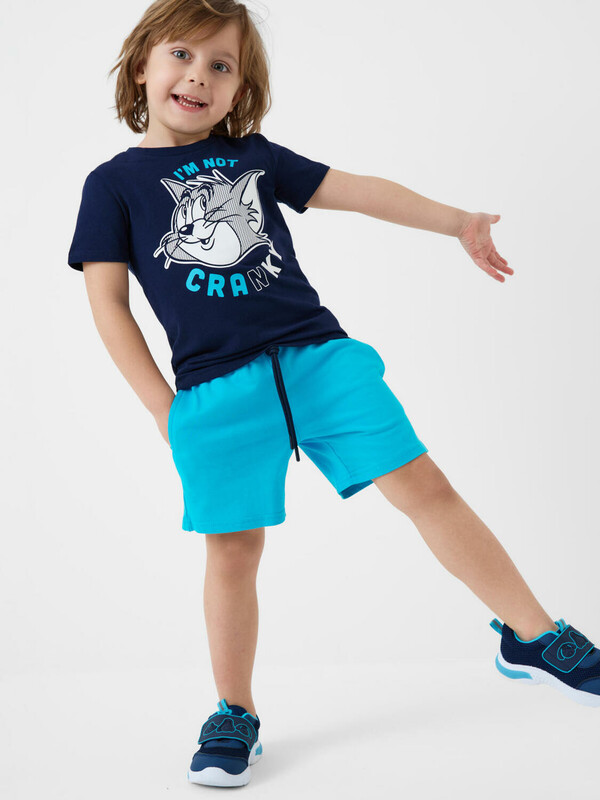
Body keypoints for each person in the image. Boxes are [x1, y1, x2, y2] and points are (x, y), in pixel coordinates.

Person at [66, 0, 600, 788]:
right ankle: (234, 712)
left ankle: (534, 635)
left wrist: (457, 222)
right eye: (182, 54)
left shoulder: (253, 156)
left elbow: (357, 190)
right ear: (141, 62)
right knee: (233, 551)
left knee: (427, 488)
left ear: (240, 88)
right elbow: (108, 303)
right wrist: (161, 406)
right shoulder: (112, 185)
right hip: (214, 394)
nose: (199, 76)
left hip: (321, 361)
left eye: (221, 65)